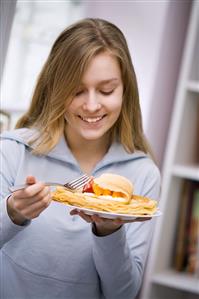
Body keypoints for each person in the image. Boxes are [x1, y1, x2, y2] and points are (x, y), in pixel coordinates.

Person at [0, 18, 161, 299]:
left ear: (126, 91)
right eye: (76, 90)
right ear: (56, 88)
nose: (91, 105)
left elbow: (123, 293)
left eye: (107, 90)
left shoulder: (143, 175)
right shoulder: (13, 150)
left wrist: (110, 232)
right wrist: (12, 213)